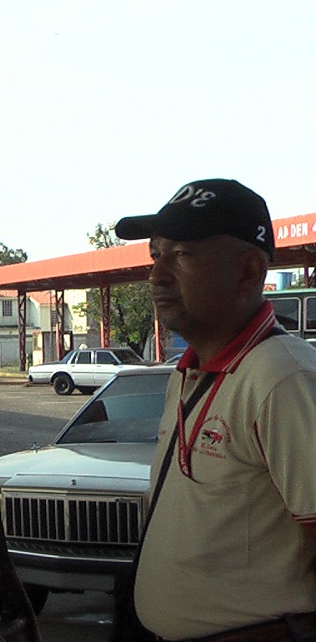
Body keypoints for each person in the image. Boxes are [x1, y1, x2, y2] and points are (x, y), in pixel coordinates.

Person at [115, 179, 316, 641]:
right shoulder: (187, 374)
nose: (157, 274)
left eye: (181, 255)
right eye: (155, 254)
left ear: (247, 272)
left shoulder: (281, 377)